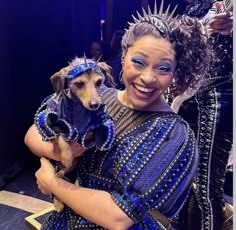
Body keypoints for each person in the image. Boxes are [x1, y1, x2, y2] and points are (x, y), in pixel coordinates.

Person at [24, 2, 212, 229]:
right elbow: (33, 132)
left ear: (175, 73)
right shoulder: (97, 95)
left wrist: (53, 183)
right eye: (138, 62)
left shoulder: (175, 135)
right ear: (123, 57)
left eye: (163, 68)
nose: (148, 78)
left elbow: (119, 216)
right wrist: (58, 150)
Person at [172, 1, 233, 230]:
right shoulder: (190, 8)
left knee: (207, 190)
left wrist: (232, 31)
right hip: (187, 100)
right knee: (184, 182)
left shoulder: (228, 6)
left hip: (219, 95)